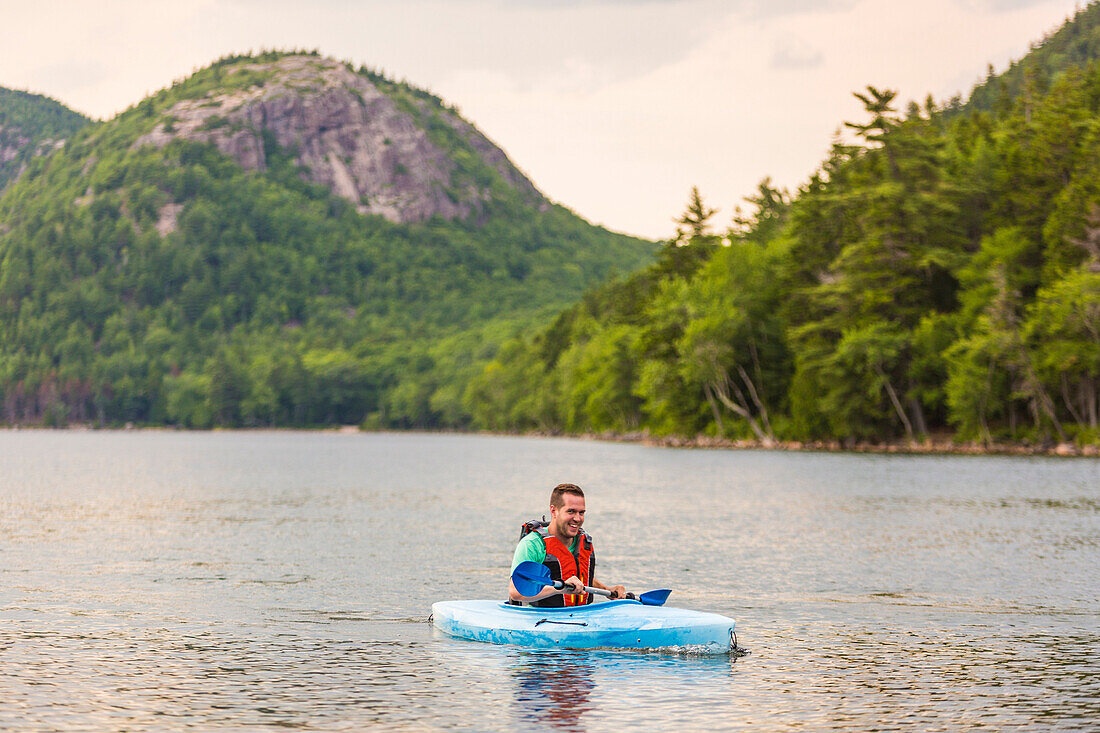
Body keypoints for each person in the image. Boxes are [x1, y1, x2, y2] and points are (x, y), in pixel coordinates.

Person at [508, 483, 626, 606]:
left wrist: (607, 590)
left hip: (581, 615)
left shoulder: (584, 541)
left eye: (581, 512)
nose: (577, 518)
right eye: (571, 511)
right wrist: (560, 589)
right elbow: (515, 592)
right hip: (542, 618)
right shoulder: (532, 545)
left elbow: (580, 576)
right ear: (554, 511)